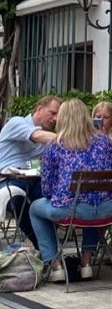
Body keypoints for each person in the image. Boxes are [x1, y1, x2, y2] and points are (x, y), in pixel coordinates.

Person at [29, 98, 112, 281]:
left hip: (72, 210)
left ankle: (55, 265)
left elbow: (46, 188)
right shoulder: (105, 141)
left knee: (35, 209)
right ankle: (86, 262)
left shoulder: (55, 146)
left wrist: (57, 196)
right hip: (110, 208)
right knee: (92, 200)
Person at [0, 95, 60, 247]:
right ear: (39, 109)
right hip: (6, 179)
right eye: (52, 113)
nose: (55, 118)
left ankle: (49, 250)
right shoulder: (17, 122)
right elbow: (37, 136)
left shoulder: (49, 135)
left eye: (58, 115)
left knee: (58, 198)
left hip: (33, 180)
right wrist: (71, 138)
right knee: (16, 201)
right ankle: (47, 247)